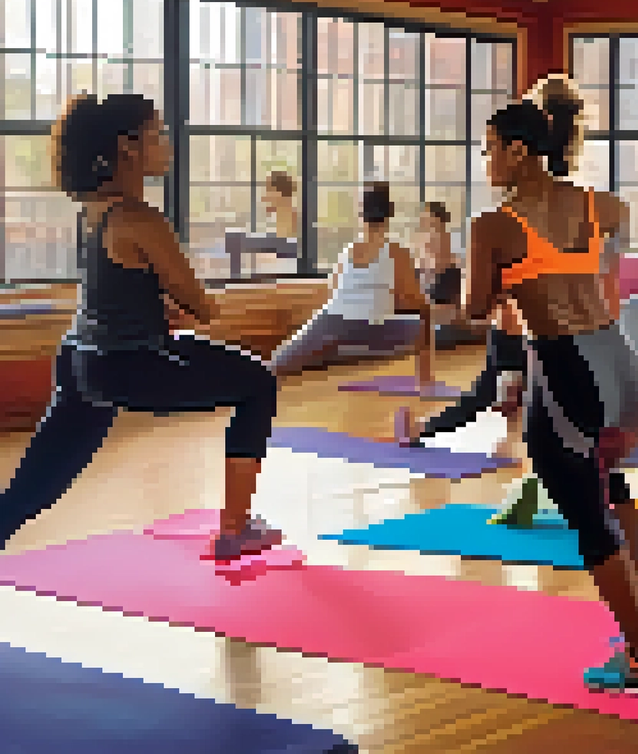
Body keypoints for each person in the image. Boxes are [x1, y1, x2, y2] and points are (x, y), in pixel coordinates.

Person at [413, 76, 638, 693]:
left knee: (586, 516)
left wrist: (505, 279)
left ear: (520, 151)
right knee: (610, 483)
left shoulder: (492, 225)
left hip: (564, 370)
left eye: (490, 148)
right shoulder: (605, 206)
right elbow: (603, 272)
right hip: (627, 370)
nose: (487, 161)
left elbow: (475, 308)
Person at [0, 93, 282, 561]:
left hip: (80, 361)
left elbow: (116, 290)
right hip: (127, 364)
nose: (167, 145)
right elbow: (204, 308)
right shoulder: (140, 218)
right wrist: (189, 303)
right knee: (258, 382)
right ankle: (235, 529)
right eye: (158, 134)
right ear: (127, 147)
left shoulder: (93, 211)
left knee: (39, 484)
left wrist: (158, 307)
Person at [269, 182, 433, 384]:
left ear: (361, 216)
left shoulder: (347, 251)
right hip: (373, 326)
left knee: (278, 364)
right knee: (425, 321)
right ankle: (426, 380)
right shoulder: (397, 251)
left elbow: (333, 291)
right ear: (389, 214)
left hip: (335, 321)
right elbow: (417, 301)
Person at [418, 201, 478, 349]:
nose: (425, 219)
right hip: (438, 284)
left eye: (428, 215)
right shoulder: (432, 241)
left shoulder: (439, 240)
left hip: (442, 284)